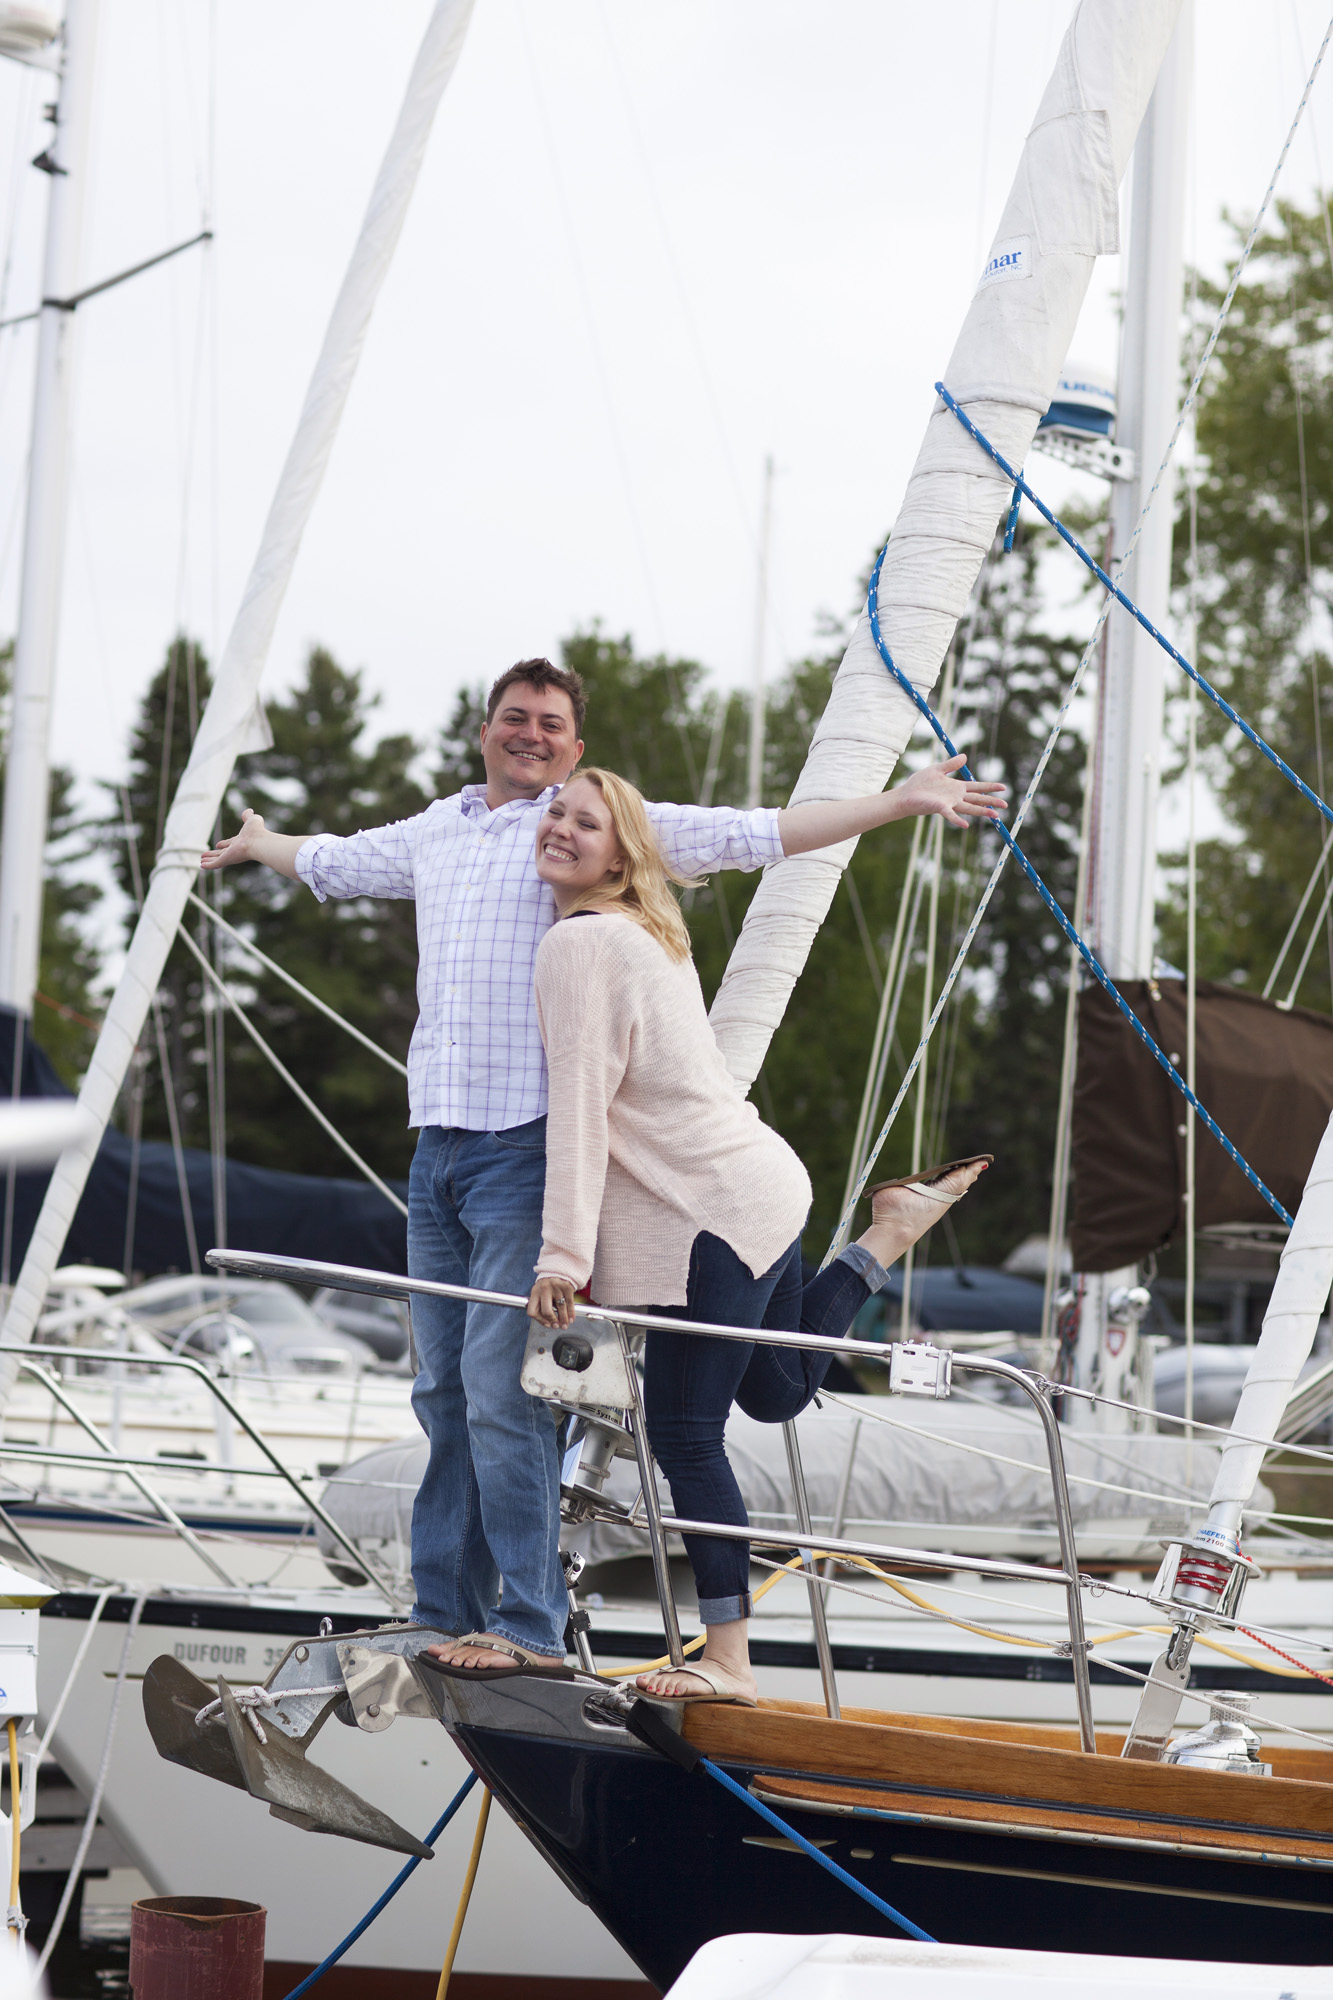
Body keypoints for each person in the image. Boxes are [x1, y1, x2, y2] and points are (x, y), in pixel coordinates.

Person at [202, 658, 1003, 1673]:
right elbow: (336, 860)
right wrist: (257, 841)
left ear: (574, 750)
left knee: (505, 1396)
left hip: (526, 1154)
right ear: (485, 727)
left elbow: (756, 832)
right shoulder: (440, 832)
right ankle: (441, 1609)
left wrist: (900, 799)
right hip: (435, 1148)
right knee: (442, 1395)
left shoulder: (589, 838)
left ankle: (531, 1627)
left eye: (550, 724)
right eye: (513, 717)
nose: (530, 735)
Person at [516, 767, 990, 1702]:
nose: (563, 831)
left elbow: (580, 1108)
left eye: (587, 823)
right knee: (772, 1392)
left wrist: (562, 1256)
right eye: (555, 814)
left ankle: (728, 1662)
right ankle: (885, 1237)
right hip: (759, 1186)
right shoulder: (646, 933)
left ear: (621, 856)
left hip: (710, 1210)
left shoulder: (578, 946)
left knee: (688, 1433)